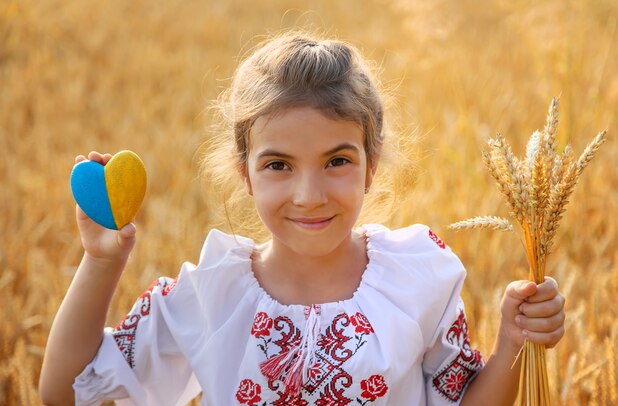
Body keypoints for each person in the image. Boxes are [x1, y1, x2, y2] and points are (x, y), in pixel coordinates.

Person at [39, 33, 566, 405]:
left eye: (337, 161)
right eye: (278, 166)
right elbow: (64, 389)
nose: (309, 195)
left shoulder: (416, 279)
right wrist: (101, 261)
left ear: (371, 165)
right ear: (245, 174)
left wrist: (512, 344)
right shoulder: (211, 296)